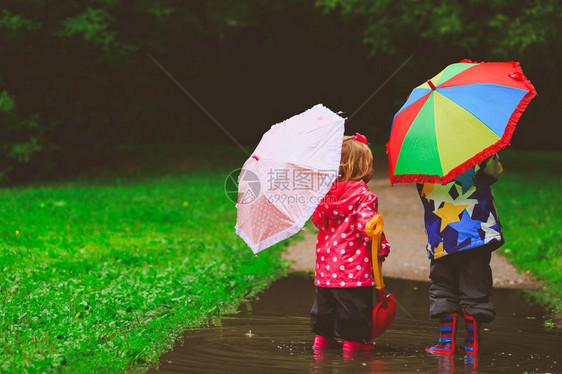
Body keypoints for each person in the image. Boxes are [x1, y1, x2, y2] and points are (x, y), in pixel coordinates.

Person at [310, 133, 390, 351]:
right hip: (354, 271)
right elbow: (369, 227)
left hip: (326, 269)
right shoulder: (364, 196)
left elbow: (318, 220)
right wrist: (382, 246)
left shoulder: (324, 195)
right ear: (362, 167)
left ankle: (322, 340)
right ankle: (353, 344)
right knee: (354, 307)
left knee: (325, 306)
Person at [418, 154, 504, 355]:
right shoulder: (477, 152)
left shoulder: (421, 161)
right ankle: (472, 342)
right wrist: (490, 156)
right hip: (477, 234)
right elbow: (495, 172)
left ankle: (446, 342)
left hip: (444, 237)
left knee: (443, 285)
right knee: (476, 288)